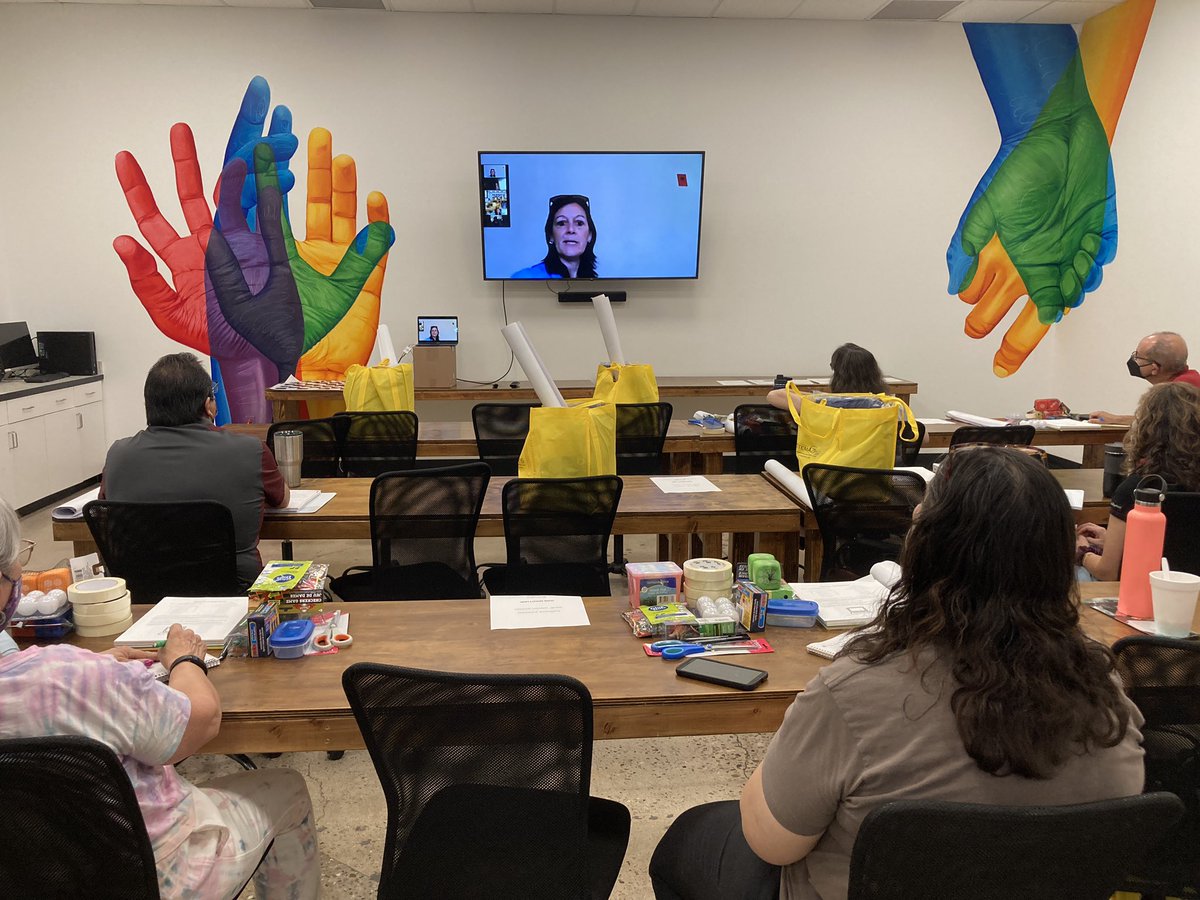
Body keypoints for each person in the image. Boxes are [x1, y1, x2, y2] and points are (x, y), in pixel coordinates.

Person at [649, 446, 1144, 900]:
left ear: (925, 551)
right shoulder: (1109, 693)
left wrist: (787, 751)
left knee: (690, 837)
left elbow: (772, 843)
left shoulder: (856, 690)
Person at [0, 496, 319, 897]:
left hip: (34, 876)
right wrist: (186, 660)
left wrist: (86, 666)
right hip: (149, 874)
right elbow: (196, 725)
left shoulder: (69, 672)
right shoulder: (71, 677)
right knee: (287, 788)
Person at [100, 353, 289, 584]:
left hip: (140, 594)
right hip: (232, 592)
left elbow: (106, 509)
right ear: (208, 405)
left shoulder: (118, 455)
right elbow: (282, 500)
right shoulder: (251, 451)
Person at [1078, 381, 1200, 580]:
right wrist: (1112, 541)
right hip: (1191, 588)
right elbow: (1180, 541)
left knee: (1077, 572)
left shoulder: (1136, 488)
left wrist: (1082, 552)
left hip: (1142, 590)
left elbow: (1107, 571)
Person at [1090, 331, 1200, 425]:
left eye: (1137, 357)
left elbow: (1160, 425)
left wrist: (1116, 420)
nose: (1133, 360)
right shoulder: (1191, 380)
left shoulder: (1176, 392)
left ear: (1154, 368)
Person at [767, 343, 885, 410]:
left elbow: (774, 395)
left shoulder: (827, 405)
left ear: (840, 376)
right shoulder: (885, 405)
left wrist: (817, 396)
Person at [511, 193, 598, 279]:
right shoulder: (524, 279)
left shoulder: (596, 283)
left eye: (579, 223)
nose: (571, 230)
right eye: (561, 223)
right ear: (551, 235)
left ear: (590, 235)